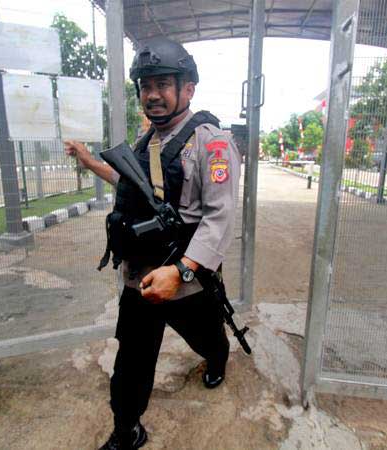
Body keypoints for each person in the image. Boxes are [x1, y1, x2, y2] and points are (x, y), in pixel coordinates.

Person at [64, 37, 240, 450]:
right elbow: (136, 188)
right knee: (131, 361)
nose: (152, 95)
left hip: (187, 277)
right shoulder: (145, 143)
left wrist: (181, 272)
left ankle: (218, 358)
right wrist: (90, 162)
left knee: (207, 338)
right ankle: (127, 429)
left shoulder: (211, 144)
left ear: (188, 88)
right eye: (145, 86)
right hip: (140, 278)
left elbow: (220, 217)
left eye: (162, 84)